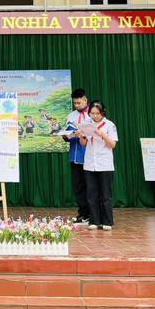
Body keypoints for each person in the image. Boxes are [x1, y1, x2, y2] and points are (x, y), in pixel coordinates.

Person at [79, 100, 118, 231]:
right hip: (90, 163)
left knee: (105, 194)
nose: (95, 116)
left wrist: (102, 135)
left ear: (103, 112)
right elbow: (83, 144)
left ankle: (107, 221)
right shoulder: (87, 124)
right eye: (92, 113)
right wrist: (81, 136)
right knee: (91, 195)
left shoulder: (109, 125)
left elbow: (112, 144)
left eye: (97, 113)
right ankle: (94, 221)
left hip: (105, 164)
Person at [62, 88, 91, 225]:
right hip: (75, 156)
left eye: (79, 103)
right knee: (78, 187)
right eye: (74, 103)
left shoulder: (93, 114)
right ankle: (83, 214)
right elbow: (66, 136)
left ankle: (94, 214)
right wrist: (65, 135)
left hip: (89, 157)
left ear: (85, 100)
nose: (77, 105)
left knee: (90, 187)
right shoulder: (71, 116)